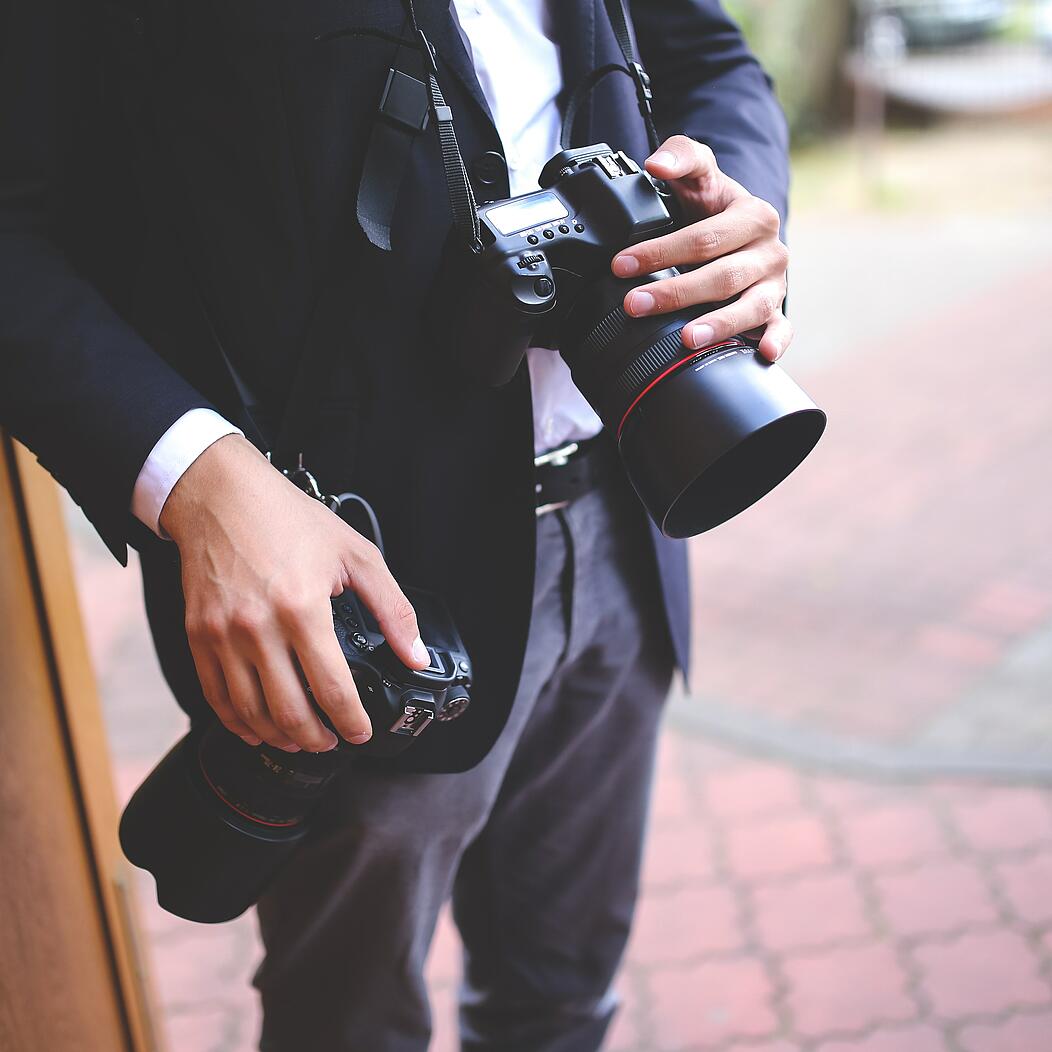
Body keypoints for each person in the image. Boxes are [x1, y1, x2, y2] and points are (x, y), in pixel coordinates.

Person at [0, 0, 791, 1048]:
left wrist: (740, 212)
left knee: (560, 1003)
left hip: (625, 519)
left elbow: (704, 53)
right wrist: (195, 476)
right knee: (350, 1025)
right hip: (352, 593)